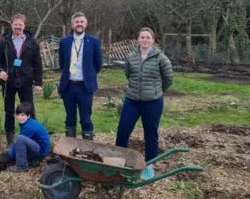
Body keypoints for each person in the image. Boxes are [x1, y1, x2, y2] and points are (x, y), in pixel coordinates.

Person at [115, 27, 173, 181]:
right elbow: (129, 74)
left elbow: (168, 79)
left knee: (151, 135)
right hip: (132, 101)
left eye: (148, 37)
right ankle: (119, 161)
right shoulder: (131, 56)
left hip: (153, 103)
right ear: (138, 40)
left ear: (153, 40)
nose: (145, 40)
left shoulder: (161, 58)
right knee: (123, 130)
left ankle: (150, 166)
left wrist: (156, 92)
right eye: (142, 37)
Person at [0, 13, 43, 147]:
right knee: (9, 111)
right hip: (8, 81)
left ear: (24, 26)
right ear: (11, 25)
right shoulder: (4, 41)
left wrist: (38, 83)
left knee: (29, 110)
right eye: (16, 24)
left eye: (20, 24)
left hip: (26, 81)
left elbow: (37, 63)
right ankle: (10, 140)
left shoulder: (32, 42)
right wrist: (0, 71)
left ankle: (30, 137)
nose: (18, 27)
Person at [58, 12, 102, 140]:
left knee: (86, 118)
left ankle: (87, 147)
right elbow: (62, 63)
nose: (79, 24)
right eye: (77, 22)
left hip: (85, 87)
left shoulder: (93, 41)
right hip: (69, 86)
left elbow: (98, 64)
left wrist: (89, 76)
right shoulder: (64, 41)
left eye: (82, 22)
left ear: (86, 24)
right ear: (72, 24)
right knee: (70, 118)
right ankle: (70, 147)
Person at [1, 103, 51, 172]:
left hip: (41, 150)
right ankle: (31, 160)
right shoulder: (29, 122)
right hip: (40, 146)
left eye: (23, 115)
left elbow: (19, 142)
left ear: (28, 115)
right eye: (18, 114)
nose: (20, 117)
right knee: (20, 140)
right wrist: (11, 152)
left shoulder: (29, 127)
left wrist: (9, 156)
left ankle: (21, 166)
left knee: (20, 138)